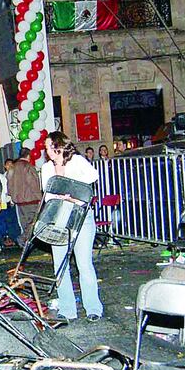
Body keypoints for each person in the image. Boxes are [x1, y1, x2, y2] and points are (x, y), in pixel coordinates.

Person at [41, 132, 103, 323]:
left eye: (49, 145)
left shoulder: (76, 161)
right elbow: (49, 193)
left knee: (84, 264)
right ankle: (68, 309)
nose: (47, 150)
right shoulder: (46, 167)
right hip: (59, 217)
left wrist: (72, 190)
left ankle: (93, 307)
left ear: (58, 145)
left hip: (81, 217)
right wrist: (66, 194)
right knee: (60, 265)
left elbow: (93, 176)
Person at [6, 150, 43, 247]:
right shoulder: (28, 167)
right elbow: (34, 184)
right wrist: (40, 197)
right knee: (33, 223)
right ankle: (22, 239)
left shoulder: (12, 168)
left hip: (19, 201)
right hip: (31, 200)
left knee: (25, 223)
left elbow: (9, 185)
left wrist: (13, 195)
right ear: (28, 156)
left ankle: (26, 243)